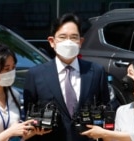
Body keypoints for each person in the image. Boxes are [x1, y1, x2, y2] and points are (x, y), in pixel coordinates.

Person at [23, 13, 110, 141]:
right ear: (52, 42)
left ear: (80, 42)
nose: (68, 42)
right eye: (62, 37)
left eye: (74, 37)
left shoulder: (96, 71)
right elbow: (29, 116)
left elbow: (106, 110)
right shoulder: (36, 74)